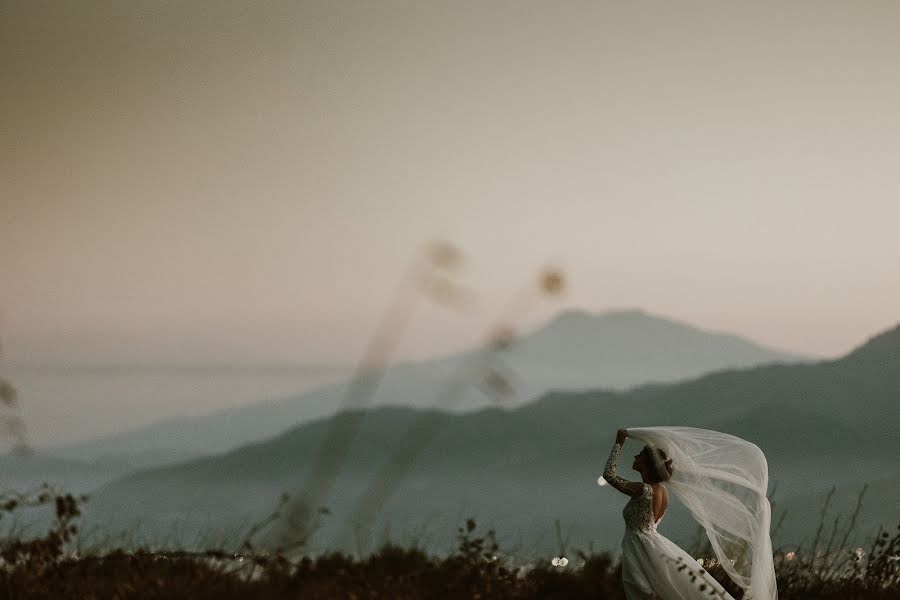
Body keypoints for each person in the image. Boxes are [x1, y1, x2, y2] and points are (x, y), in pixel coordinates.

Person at [603, 427, 777, 599]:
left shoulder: (644, 490)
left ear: (648, 464)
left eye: (640, 455)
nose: (635, 457)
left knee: (643, 592)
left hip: (641, 550)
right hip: (651, 547)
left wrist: (619, 442)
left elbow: (609, 476)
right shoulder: (662, 492)